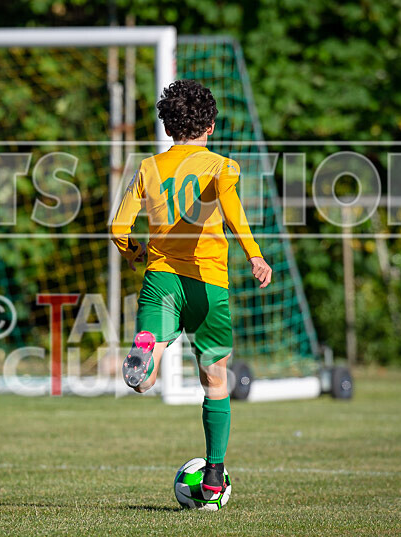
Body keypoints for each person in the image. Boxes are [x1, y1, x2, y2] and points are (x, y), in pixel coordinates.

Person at [110, 79, 272, 502]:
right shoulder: (223, 167)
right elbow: (233, 212)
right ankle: (215, 475)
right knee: (215, 380)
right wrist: (254, 254)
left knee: (144, 383)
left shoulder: (148, 168)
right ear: (211, 127)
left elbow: (117, 228)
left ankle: (146, 347)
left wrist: (134, 250)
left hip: (161, 278)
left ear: (167, 127)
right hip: (209, 284)